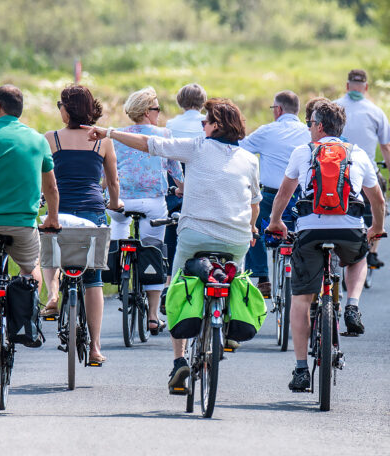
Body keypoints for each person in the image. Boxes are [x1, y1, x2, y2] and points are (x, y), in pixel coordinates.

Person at [83, 97, 262, 390]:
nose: (202, 125)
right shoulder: (249, 160)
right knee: (235, 273)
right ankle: (228, 324)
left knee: (179, 285)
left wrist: (110, 133)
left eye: (206, 122)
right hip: (236, 238)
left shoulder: (197, 148)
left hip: (194, 236)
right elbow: (254, 204)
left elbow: (148, 144)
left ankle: (179, 361)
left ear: (216, 127)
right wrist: (252, 228)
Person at [266, 101, 386, 391]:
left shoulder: (302, 152)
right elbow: (378, 201)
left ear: (319, 126)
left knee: (302, 300)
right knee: (358, 258)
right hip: (348, 229)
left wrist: (275, 222)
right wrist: (377, 230)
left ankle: (300, 369)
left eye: (310, 125)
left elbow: (284, 193)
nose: (309, 129)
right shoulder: (357, 153)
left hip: (310, 231)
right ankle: (353, 305)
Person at [43, 84, 122, 363]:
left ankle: (53, 295)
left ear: (67, 109)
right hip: (92, 211)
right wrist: (115, 203)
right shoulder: (102, 140)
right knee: (93, 279)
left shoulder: (50, 139)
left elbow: (45, 180)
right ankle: (96, 347)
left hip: (60, 209)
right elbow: (112, 182)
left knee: (50, 250)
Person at [105, 86, 183, 335]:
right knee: (154, 250)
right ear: (147, 112)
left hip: (120, 201)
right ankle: (152, 315)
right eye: (157, 109)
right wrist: (181, 188)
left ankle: (119, 266)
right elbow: (174, 169)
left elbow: (106, 171)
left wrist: (102, 190)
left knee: (118, 226)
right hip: (152, 202)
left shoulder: (116, 135)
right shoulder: (163, 133)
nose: (159, 113)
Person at [0, 84, 60, 347]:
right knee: (31, 270)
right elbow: (51, 188)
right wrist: (52, 218)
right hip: (22, 226)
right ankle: (25, 323)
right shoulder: (37, 139)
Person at [239, 90, 310, 298]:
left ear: (278, 110)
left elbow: (240, 149)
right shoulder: (308, 133)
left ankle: (262, 277)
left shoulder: (267, 131)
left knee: (252, 227)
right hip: (300, 198)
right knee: (305, 232)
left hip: (270, 197)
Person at [335, 69, 390, 268]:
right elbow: (386, 146)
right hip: (367, 171)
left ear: (347, 86)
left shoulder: (334, 107)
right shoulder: (376, 111)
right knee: (379, 202)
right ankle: (373, 250)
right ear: (366, 87)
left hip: (338, 170)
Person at [161, 83, 207, 311]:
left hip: (175, 177)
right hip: (200, 177)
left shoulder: (171, 125)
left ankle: (170, 280)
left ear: (180, 102)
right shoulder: (207, 124)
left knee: (171, 226)